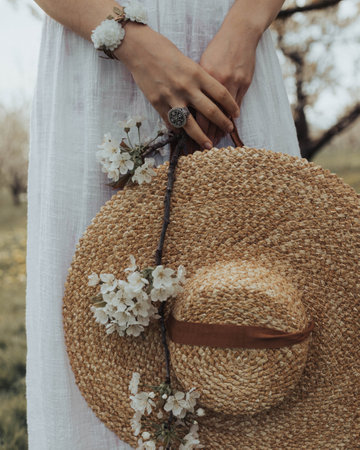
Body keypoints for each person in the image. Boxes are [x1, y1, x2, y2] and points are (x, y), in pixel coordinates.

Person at [26, 0, 301, 448]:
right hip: (95, 56)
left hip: (230, 63)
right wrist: (129, 41)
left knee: (257, 297)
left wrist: (245, 26)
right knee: (97, 342)